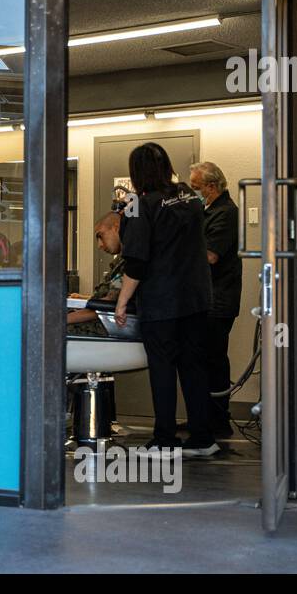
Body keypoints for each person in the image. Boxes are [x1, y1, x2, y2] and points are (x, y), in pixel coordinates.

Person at [112, 142, 218, 457]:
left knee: (163, 368)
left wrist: (121, 302)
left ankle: (165, 440)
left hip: (162, 301)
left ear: (136, 173)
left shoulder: (137, 204)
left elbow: (136, 261)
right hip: (197, 298)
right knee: (194, 366)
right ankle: (203, 438)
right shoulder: (188, 196)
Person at [190, 161, 242, 439]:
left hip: (217, 300)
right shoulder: (207, 209)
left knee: (213, 360)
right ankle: (203, 416)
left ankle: (218, 421)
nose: (193, 192)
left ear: (211, 186)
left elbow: (210, 256)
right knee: (202, 359)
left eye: (196, 187)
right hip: (206, 298)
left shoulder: (226, 213)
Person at [67, 211, 124, 336]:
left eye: (101, 236)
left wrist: (63, 320)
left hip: (110, 322)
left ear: (116, 228)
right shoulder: (120, 261)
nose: (100, 245)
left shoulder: (130, 262)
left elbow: (108, 305)